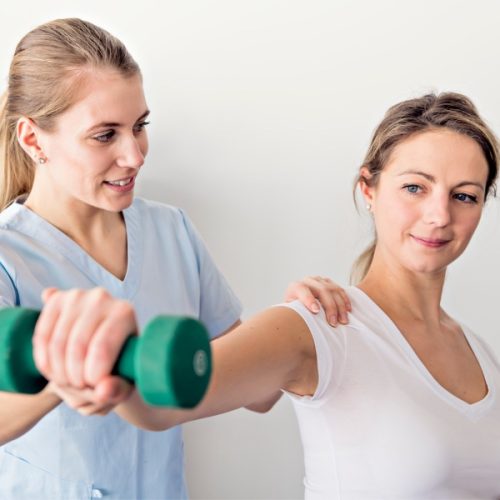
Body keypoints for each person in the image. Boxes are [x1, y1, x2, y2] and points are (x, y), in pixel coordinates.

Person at [42, 92, 500, 498]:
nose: (439, 215)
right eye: (415, 188)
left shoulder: (481, 353)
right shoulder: (317, 327)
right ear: (368, 189)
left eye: (464, 196)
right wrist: (101, 366)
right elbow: (164, 403)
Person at [0, 18, 350, 499]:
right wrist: (67, 373)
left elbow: (258, 393)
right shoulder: (8, 255)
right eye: (105, 135)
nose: (135, 155)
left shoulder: (171, 231)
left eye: (139, 127)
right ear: (34, 139)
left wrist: (295, 319)